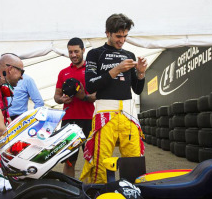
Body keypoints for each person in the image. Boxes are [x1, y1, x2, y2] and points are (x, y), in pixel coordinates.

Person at [79, 13, 148, 184]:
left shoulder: (129, 54)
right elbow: (90, 85)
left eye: (125, 36)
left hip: (128, 115)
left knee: (134, 159)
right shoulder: (95, 54)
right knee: (100, 161)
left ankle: (133, 191)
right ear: (107, 33)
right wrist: (116, 70)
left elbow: (137, 90)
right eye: (118, 36)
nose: (122, 40)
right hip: (105, 115)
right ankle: (101, 193)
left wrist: (140, 73)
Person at [54, 37, 96, 178]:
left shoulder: (91, 70)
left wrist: (83, 96)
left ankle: (92, 190)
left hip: (89, 120)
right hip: (68, 122)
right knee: (69, 161)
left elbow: (98, 95)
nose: (73, 55)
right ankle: (69, 191)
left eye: (76, 51)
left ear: (83, 50)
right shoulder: (63, 72)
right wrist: (62, 99)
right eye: (70, 52)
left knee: (92, 160)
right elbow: (56, 96)